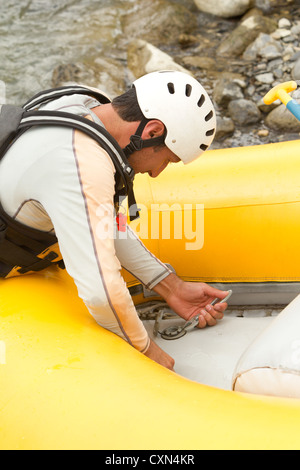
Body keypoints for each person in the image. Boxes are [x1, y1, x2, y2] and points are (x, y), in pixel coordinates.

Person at [0, 70, 229, 371]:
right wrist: (145, 350)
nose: (158, 172)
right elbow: (100, 290)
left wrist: (171, 287)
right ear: (152, 131)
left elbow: (103, 222)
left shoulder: (84, 102)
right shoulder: (79, 162)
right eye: (168, 159)